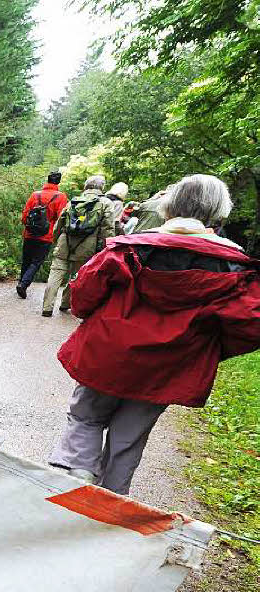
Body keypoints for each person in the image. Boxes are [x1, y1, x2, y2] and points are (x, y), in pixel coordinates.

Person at [49, 173, 260, 494]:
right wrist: (204, 346)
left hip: (109, 353)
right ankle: (111, 503)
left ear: (170, 205)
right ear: (219, 212)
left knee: (86, 418)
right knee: (128, 439)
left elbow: (83, 295)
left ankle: (76, 481)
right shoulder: (236, 268)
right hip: (169, 367)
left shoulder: (129, 248)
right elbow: (249, 323)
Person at [41, 175, 119, 316]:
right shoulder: (106, 203)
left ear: (86, 186)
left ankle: (47, 308)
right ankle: (65, 303)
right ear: (102, 187)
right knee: (77, 276)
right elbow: (108, 229)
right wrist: (105, 248)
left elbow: (60, 223)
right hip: (87, 246)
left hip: (65, 243)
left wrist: (56, 239)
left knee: (56, 274)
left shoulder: (74, 201)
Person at [17, 171, 68, 299]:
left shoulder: (35, 195)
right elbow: (61, 218)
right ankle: (23, 285)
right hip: (46, 236)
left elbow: (25, 216)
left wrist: (29, 226)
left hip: (29, 233)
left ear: (47, 180)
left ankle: (20, 282)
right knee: (36, 262)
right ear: (58, 182)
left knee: (26, 260)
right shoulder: (61, 197)